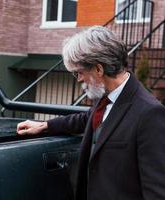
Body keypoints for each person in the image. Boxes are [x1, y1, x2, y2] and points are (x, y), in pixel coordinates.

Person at [17, 26, 165, 200]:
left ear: (99, 69)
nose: (79, 78)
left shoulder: (150, 113)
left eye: (79, 72)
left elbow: (157, 191)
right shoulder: (104, 96)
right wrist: (45, 125)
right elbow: (87, 118)